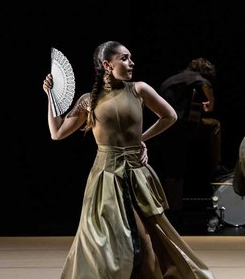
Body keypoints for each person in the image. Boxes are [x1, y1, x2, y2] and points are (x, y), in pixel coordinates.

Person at [43, 41, 215, 279]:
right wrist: (50, 96)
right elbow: (57, 133)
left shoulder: (139, 89)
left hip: (135, 174)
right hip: (105, 178)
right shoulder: (88, 100)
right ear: (107, 65)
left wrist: (140, 140)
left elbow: (170, 116)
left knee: (146, 238)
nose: (131, 62)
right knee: (104, 241)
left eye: (130, 57)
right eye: (124, 58)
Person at [152, 57, 229, 224]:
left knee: (172, 170)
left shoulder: (177, 79)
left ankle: (171, 209)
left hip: (167, 127)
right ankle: (216, 165)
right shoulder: (194, 77)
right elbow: (203, 84)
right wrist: (211, 102)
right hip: (178, 128)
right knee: (215, 125)